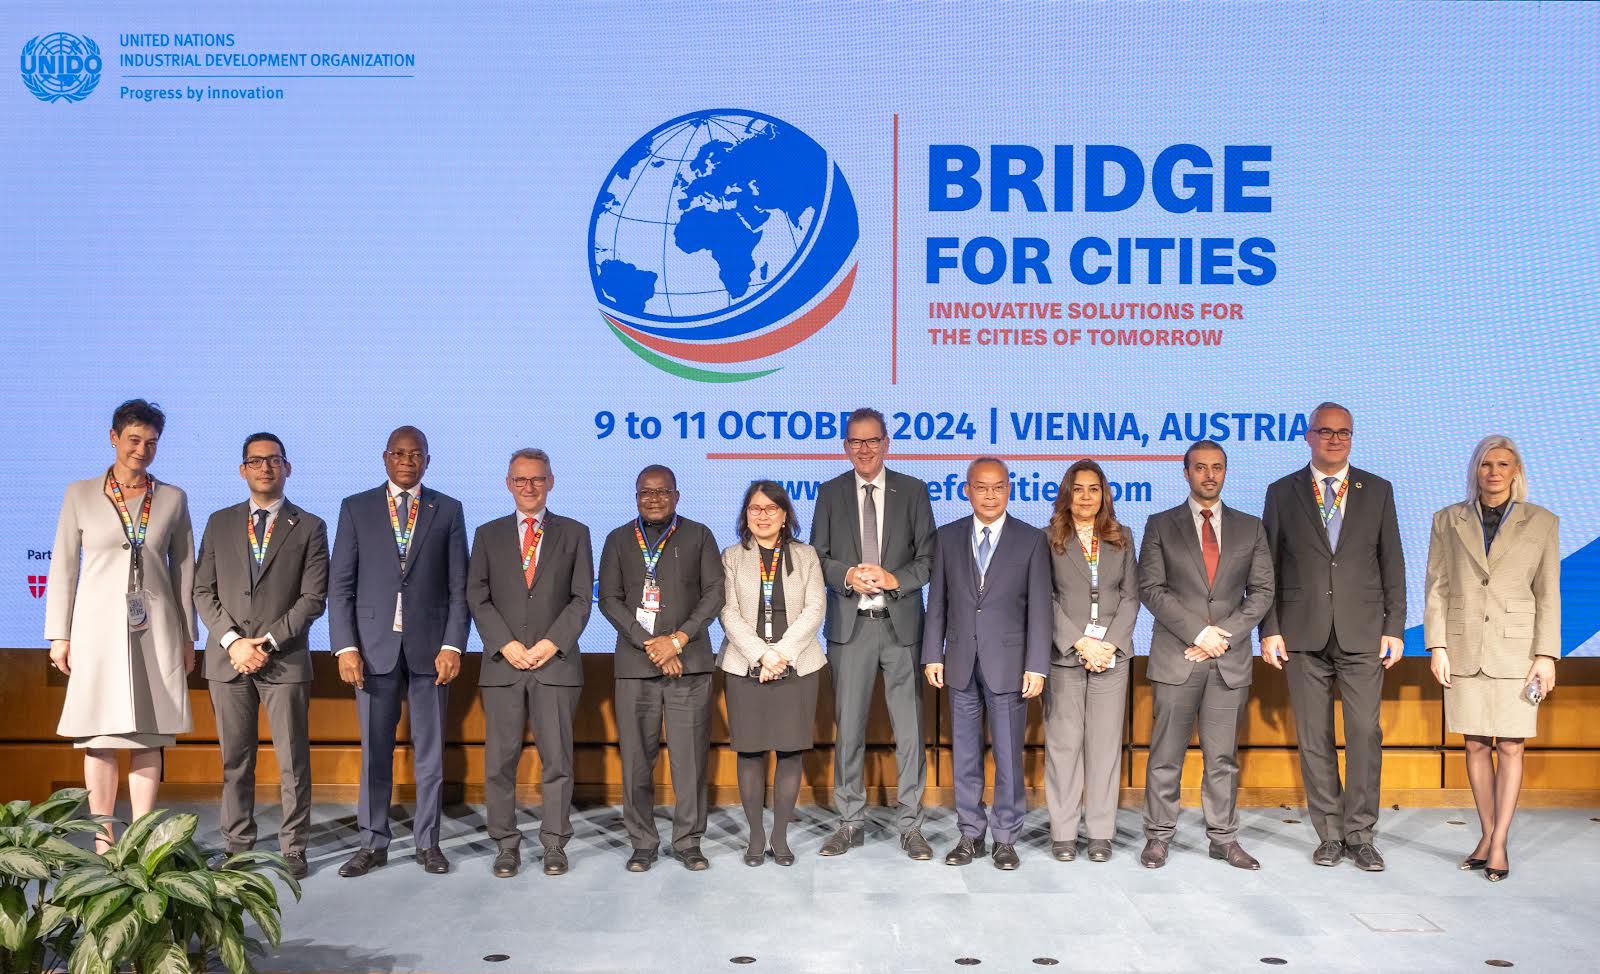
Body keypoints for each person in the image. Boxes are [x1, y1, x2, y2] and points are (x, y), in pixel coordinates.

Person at [45, 399, 197, 851]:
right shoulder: (80, 494)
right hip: (96, 630)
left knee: (150, 733)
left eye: (151, 442)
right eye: (133, 440)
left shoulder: (172, 498)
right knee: (100, 735)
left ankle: (143, 838)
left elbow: (184, 571)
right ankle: (104, 838)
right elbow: (63, 567)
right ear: (113, 438)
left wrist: (189, 636)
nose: (141, 450)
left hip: (157, 629)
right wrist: (59, 635)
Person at [1261, 402, 1405, 872]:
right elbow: (1268, 568)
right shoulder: (1281, 492)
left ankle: (1360, 834)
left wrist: (1394, 626)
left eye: (1343, 432)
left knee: (1364, 732)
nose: (1335, 439)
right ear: (1308, 436)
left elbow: (1392, 562)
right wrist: (1270, 628)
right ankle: (1330, 833)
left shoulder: (1377, 489)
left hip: (1363, 632)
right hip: (1301, 633)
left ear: (1352, 438)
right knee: (1314, 737)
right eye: (1325, 431)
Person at [329, 426, 468, 877]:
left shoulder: (448, 509)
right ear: (385, 458)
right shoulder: (356, 507)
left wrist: (453, 644)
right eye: (399, 453)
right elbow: (340, 586)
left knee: (430, 754)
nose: (408, 461)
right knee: (375, 752)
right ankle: (372, 843)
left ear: (428, 460)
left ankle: (429, 843)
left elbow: (459, 587)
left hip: (431, 651)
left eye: (416, 454)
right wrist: (345, 647)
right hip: (372, 651)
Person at [1424, 435, 1560, 882]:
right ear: (1475, 470)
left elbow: (1548, 593)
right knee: (1475, 744)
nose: (1494, 472)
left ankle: (1498, 842)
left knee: (1511, 745)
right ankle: (1487, 834)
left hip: (1517, 651)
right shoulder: (1447, 519)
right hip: (1464, 646)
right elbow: (1437, 587)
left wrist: (1546, 655)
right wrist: (1438, 646)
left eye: (1503, 464)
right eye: (1486, 464)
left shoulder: (1542, 522)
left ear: (1516, 470)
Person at [194, 432, 329, 880]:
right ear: (243, 470)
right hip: (228, 660)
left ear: (287, 468)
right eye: (255, 461)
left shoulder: (309, 526)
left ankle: (294, 847)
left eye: (274, 460)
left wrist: (266, 644)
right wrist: (234, 641)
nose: (265, 467)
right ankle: (237, 845)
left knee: (293, 761)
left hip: (284, 661)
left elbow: (313, 599)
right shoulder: (219, 522)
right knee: (236, 761)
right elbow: (202, 590)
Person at [1136, 441, 1274, 870]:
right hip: (1176, 657)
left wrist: (1221, 637)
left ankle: (1224, 838)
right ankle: (1159, 836)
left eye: (1217, 467)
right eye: (1200, 467)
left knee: (1222, 758)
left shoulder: (1251, 527)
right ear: (1186, 473)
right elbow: (1151, 589)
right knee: (1165, 756)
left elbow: (1262, 591)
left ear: (1225, 472)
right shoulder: (1160, 524)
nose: (1209, 475)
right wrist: (1198, 632)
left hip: (1227, 661)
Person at [810, 407, 936, 860]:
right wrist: (847, 575)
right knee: (849, 731)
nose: (864, 449)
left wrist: (893, 578)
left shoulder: (913, 491)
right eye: (855, 441)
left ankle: (911, 825)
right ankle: (849, 821)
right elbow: (817, 557)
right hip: (851, 629)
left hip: (901, 628)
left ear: (886, 443)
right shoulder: (830, 493)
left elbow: (928, 559)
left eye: (872, 440)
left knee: (910, 731)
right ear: (845, 446)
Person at [469, 448, 593, 878]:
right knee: (499, 763)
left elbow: (581, 599)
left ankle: (555, 842)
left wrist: (550, 643)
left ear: (550, 482)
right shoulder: (487, 534)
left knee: (557, 761)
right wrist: (505, 644)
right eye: (520, 480)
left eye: (537, 479)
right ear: (508, 484)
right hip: (503, 666)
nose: (529, 487)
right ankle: (505, 845)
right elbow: (477, 597)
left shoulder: (575, 533)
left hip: (555, 666)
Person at [922, 458, 1050, 870]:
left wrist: (1036, 665)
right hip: (959, 662)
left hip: (1010, 666)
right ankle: (970, 833)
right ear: (967, 490)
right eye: (981, 487)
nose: (990, 495)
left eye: (998, 487)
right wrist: (933, 653)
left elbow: (1041, 609)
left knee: (1009, 755)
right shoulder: (947, 537)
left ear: (1009, 489)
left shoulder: (1031, 540)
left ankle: (1006, 837)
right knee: (965, 754)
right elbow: (937, 602)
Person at [598, 465, 723, 872]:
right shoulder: (618, 539)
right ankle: (642, 842)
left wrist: (677, 641)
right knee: (636, 761)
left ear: (677, 495)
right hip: (636, 666)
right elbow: (609, 599)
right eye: (645, 492)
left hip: (689, 664)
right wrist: (650, 643)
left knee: (689, 761)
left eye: (662, 491)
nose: (653, 499)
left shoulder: (699, 535)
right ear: (636, 496)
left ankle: (688, 841)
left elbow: (714, 594)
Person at [719, 481, 826, 868]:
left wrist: (780, 654)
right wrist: (761, 655)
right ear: (745, 515)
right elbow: (728, 612)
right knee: (749, 751)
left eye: (770, 509)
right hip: (745, 666)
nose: (762, 516)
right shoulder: (732, 556)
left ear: (785, 515)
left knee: (790, 750)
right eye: (755, 509)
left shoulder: (806, 555)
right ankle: (755, 836)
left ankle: (779, 836)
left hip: (796, 666)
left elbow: (815, 608)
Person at [1043, 460, 1138, 864]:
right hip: (1066, 655)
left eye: (1094, 489)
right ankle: (1064, 833)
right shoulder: (1047, 539)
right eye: (1078, 489)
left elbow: (1131, 596)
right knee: (1064, 746)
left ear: (1104, 495)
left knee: (1104, 747)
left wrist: (1109, 645)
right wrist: (1081, 643)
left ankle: (1100, 833)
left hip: (1112, 658)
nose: (1086, 497)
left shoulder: (1122, 537)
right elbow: (1045, 599)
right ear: (1067, 494)